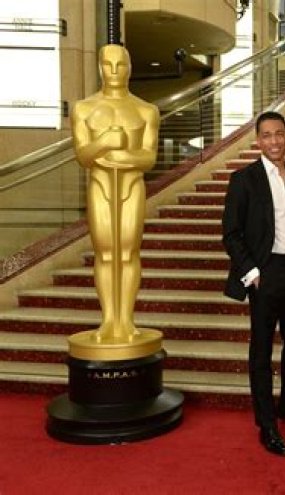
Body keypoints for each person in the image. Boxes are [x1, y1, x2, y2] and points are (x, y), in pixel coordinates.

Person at [222, 111, 285, 457]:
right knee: (261, 351)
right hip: (265, 273)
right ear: (258, 141)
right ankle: (267, 425)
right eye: (267, 135)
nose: (274, 141)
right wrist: (252, 272)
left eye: (279, 134)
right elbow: (231, 233)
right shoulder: (244, 180)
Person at [71, 44, 160, 344]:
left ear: (129, 68)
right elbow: (83, 155)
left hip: (131, 186)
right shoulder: (83, 109)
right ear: (99, 67)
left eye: (120, 65)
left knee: (128, 252)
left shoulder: (146, 110)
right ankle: (109, 319)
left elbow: (149, 157)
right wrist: (105, 142)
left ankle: (127, 320)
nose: (113, 71)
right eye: (107, 65)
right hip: (100, 186)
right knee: (106, 253)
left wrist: (124, 157)